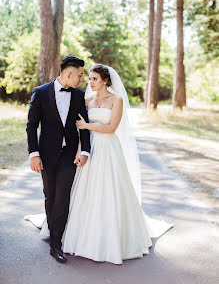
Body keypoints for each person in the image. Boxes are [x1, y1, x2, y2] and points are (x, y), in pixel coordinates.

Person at [60, 64, 173, 264]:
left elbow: (111, 128)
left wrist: (86, 124)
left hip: (108, 149)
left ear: (105, 80)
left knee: (109, 190)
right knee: (87, 191)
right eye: (89, 79)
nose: (91, 82)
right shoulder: (87, 100)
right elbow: (81, 132)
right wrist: (80, 150)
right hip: (90, 148)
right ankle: (82, 235)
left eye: (95, 79)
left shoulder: (116, 100)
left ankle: (111, 239)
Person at [26, 55, 91, 263]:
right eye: (79, 75)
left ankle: (56, 243)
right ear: (68, 74)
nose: (82, 79)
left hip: (69, 156)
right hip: (46, 154)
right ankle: (52, 228)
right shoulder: (41, 92)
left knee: (63, 197)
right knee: (50, 195)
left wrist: (85, 152)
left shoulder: (80, 96)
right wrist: (34, 154)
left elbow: (85, 127)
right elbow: (31, 125)